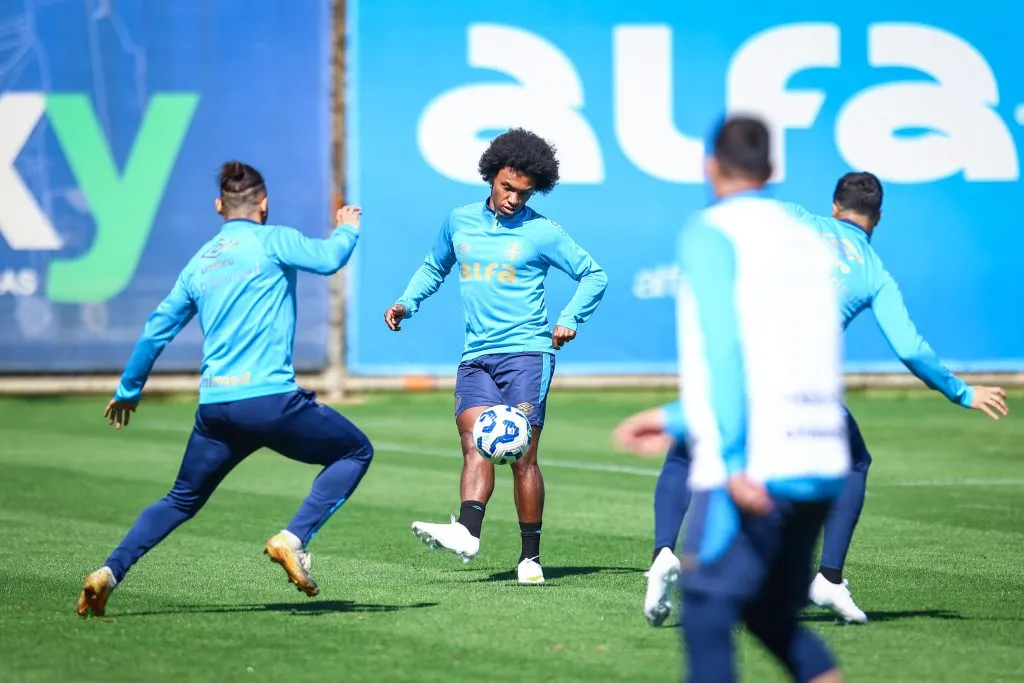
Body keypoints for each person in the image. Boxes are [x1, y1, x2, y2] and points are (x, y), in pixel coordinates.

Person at [76, 162, 374, 617]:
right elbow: (330, 259)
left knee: (179, 499)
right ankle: (291, 540)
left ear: (219, 206)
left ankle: (108, 572)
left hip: (217, 407)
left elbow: (157, 330)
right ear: (264, 204)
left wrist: (129, 389)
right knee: (355, 451)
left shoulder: (201, 261)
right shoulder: (274, 240)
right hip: (271, 400)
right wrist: (347, 228)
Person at [615, 115, 848, 683]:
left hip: (757, 466)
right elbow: (790, 351)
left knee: (707, 618)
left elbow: (727, 349)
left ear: (709, 165)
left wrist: (738, 460)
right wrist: (678, 417)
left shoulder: (711, 231)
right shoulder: (810, 238)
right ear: (772, 170)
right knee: (770, 616)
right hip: (821, 456)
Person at [779, 173, 1008, 623]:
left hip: (744, 362)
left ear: (834, 205)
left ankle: (679, 555)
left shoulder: (800, 220)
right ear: (878, 218)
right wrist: (962, 392)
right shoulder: (873, 272)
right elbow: (909, 348)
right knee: (853, 463)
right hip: (800, 382)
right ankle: (825, 577)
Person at [384, 128, 608, 584]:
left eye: (524, 193)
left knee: (522, 456)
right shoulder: (459, 221)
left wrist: (570, 318)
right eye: (507, 187)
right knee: (476, 443)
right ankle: (468, 530)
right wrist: (407, 302)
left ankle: (530, 558)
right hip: (476, 357)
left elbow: (593, 275)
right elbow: (434, 266)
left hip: (527, 354)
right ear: (492, 175)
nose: (513, 200)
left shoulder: (541, 231)